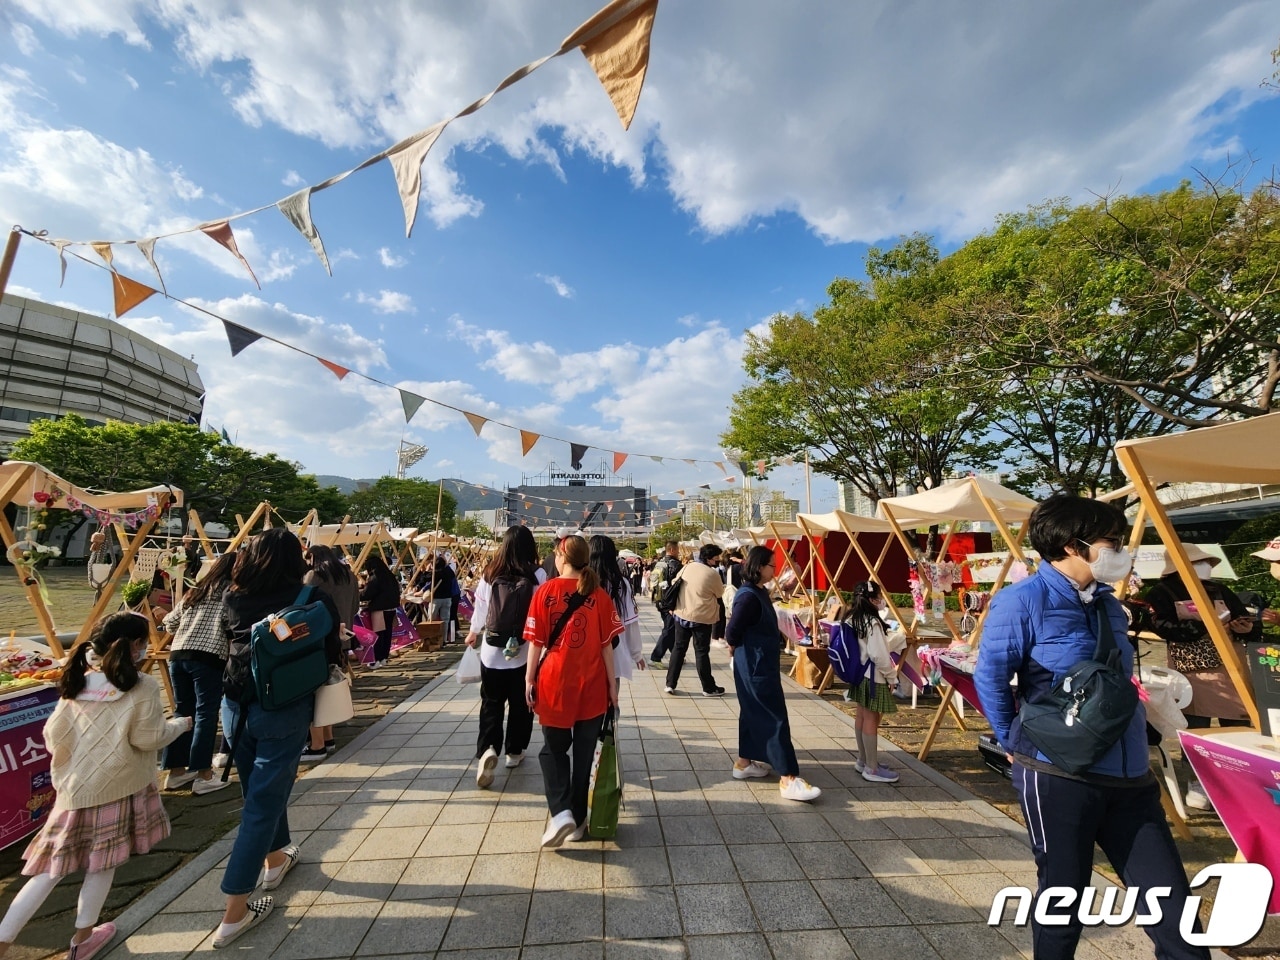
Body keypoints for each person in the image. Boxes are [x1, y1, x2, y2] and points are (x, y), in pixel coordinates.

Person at [974, 493, 1209, 960]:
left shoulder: (1106, 604)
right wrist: (1012, 741)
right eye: (1112, 541)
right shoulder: (1022, 602)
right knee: (1065, 899)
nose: (1120, 550)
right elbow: (991, 676)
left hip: (1130, 777)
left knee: (1175, 912)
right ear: (1071, 545)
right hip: (1058, 776)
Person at [0, 613, 191, 960]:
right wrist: (179, 725)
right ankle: (82, 940)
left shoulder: (77, 679)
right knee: (102, 865)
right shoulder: (142, 686)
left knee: (47, 872)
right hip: (118, 788)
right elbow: (149, 739)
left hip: (74, 790)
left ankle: (3, 941)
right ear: (135, 646)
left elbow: (53, 735)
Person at [214, 528, 343, 949]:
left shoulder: (233, 596)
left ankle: (276, 858)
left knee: (258, 794)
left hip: (234, 707)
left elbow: (222, 644)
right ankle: (234, 914)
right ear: (296, 558)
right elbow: (330, 651)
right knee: (262, 804)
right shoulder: (311, 600)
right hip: (284, 708)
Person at [1143, 544, 1259, 810]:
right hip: (1192, 670)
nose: (1204, 566)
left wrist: (1245, 627)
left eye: (1205, 561)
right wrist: (1201, 626)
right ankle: (1198, 782)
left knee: (1239, 723)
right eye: (1199, 561)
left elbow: (1244, 619)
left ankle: (1240, 779)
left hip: (1232, 666)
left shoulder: (1220, 589)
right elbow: (1163, 627)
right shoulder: (1162, 593)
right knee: (1196, 727)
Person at [524, 535, 620, 848]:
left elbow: (536, 643)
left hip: (554, 684)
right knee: (583, 757)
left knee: (552, 751)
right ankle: (578, 821)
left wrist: (528, 680)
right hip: (592, 686)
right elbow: (608, 648)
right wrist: (613, 687)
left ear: (560, 557)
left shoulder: (545, 591)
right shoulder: (600, 595)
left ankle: (560, 810)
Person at [726, 546, 821, 802]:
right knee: (773, 715)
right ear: (758, 567)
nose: (775, 570)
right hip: (755, 663)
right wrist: (734, 647)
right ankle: (788, 776)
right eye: (771, 565)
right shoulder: (748, 596)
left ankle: (744, 762)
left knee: (752, 710)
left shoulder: (758, 592)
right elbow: (732, 631)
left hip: (758, 661)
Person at [464, 526, 545, 789]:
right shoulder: (537, 574)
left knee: (491, 702)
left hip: (492, 650)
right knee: (521, 704)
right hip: (524, 650)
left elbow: (481, 609)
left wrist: (473, 633)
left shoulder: (490, 572)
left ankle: (488, 748)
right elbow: (542, 612)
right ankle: (514, 751)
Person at [161, 551, 237, 795]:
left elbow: (170, 623)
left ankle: (175, 772)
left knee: (182, 712)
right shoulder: (232, 593)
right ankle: (204, 773)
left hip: (178, 654)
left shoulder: (197, 589)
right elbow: (232, 626)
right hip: (209, 656)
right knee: (205, 714)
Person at [301, 545, 359, 762]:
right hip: (343, 634)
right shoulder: (349, 574)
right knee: (332, 683)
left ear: (313, 557)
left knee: (315, 688)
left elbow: (303, 604)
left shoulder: (315, 575)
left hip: (320, 634)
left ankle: (318, 744)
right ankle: (329, 736)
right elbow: (355, 606)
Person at [840, 581, 900, 783]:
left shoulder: (850, 618)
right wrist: (892, 676)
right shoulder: (871, 622)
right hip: (872, 677)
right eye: (879, 596)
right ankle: (872, 768)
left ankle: (863, 760)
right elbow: (879, 655)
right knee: (871, 720)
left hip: (858, 674)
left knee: (861, 716)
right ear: (873, 599)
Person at [664, 543, 726, 696]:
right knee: (701, 652)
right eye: (716, 558)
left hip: (682, 614)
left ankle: (670, 684)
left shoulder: (687, 567)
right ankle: (708, 687)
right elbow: (719, 593)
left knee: (678, 649)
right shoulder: (712, 574)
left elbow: (674, 583)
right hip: (701, 617)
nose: (718, 560)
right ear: (710, 559)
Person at [587, 535, 647, 688]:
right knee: (611, 698)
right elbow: (630, 622)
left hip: (586, 649)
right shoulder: (621, 584)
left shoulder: (581, 583)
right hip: (614, 649)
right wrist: (636, 654)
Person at [358, 554, 401, 669]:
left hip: (379, 609)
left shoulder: (375, 577)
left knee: (378, 635)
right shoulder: (389, 575)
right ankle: (384, 658)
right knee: (387, 634)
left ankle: (376, 660)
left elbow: (367, 594)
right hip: (391, 608)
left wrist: (357, 593)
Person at [649, 541, 682, 665]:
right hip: (670, 603)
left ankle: (676, 655)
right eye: (678, 549)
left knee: (670, 629)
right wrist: (672, 605)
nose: (679, 552)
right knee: (669, 629)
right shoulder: (675, 565)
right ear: (672, 550)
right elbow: (677, 587)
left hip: (659, 600)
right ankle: (655, 657)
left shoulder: (659, 563)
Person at [427, 556, 456, 623]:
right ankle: (444, 633)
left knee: (431, 619)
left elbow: (425, 580)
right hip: (447, 597)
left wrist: (427, 570)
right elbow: (453, 575)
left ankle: (433, 633)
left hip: (436, 598)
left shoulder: (435, 573)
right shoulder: (448, 572)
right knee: (445, 620)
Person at [86, 531, 113, 600]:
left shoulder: (95, 554)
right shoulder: (97, 552)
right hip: (99, 579)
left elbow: (91, 563)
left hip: (97, 579)